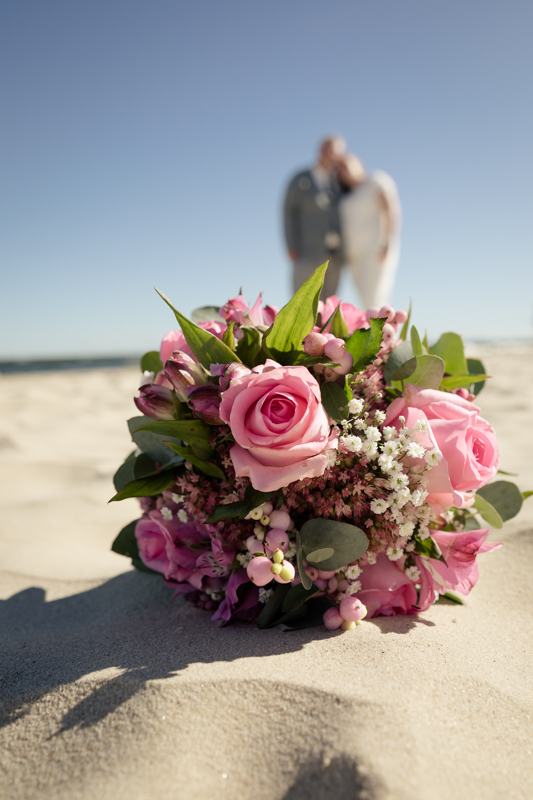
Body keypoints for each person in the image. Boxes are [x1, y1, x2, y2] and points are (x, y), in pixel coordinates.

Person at [283, 136, 346, 299]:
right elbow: (289, 212)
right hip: (307, 252)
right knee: (303, 302)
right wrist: (291, 245)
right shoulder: (301, 179)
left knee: (327, 309)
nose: (330, 154)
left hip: (334, 256)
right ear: (320, 150)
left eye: (335, 151)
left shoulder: (339, 182)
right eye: (327, 149)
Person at [337, 153, 402, 310]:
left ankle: (382, 333)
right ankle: (376, 333)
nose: (344, 170)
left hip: (375, 251)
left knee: (375, 299)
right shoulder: (345, 196)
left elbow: (391, 210)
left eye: (346, 165)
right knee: (365, 301)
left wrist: (387, 243)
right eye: (340, 169)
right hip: (354, 256)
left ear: (359, 163)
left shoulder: (376, 180)